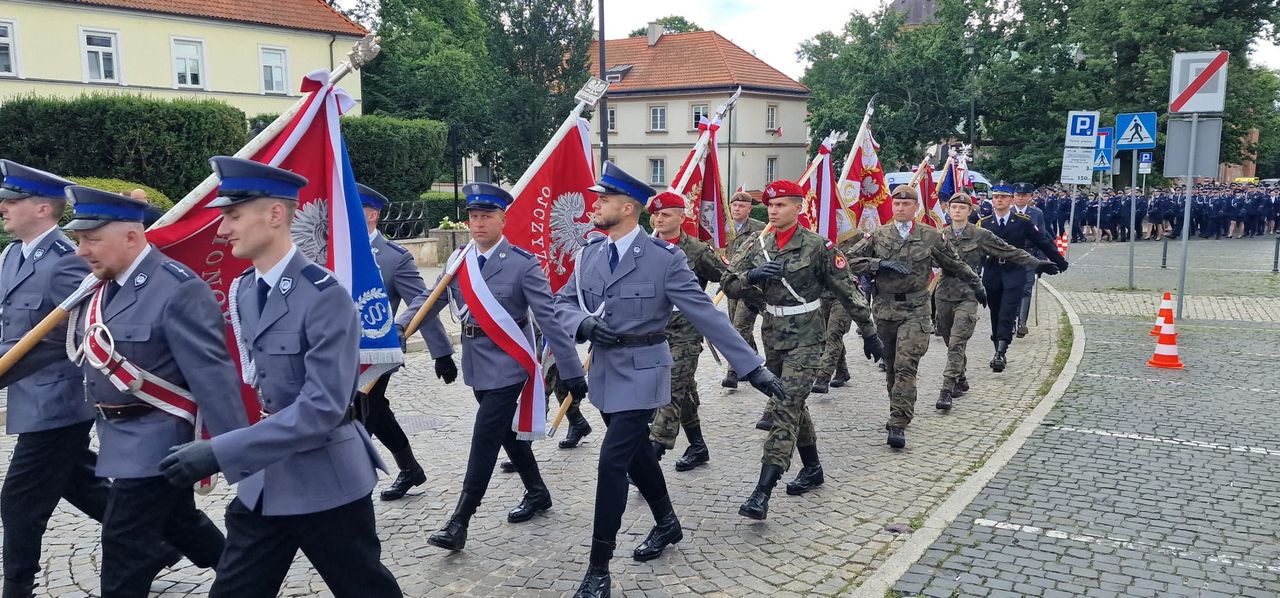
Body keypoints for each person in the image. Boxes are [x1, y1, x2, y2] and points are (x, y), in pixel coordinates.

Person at [160, 157, 401, 598]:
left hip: (327, 482)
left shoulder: (324, 296)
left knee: (365, 589)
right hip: (267, 480)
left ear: (274, 214)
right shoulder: (246, 290)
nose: (222, 229)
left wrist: (221, 450)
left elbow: (322, 408)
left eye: (233, 215)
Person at [554, 162, 784, 598]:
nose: (594, 206)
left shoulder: (664, 260)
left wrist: (752, 367)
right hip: (604, 370)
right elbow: (561, 304)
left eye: (602, 200)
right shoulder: (589, 254)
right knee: (638, 453)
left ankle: (598, 568)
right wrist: (582, 325)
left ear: (627, 208)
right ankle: (667, 523)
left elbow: (707, 314)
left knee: (612, 463)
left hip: (645, 370)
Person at [20, 185, 246, 598]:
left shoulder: (177, 288)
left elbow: (215, 377)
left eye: (92, 239)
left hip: (159, 441)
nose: (81, 251)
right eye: (80, 240)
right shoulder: (98, 287)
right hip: (118, 439)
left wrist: (240, 458)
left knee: (125, 547)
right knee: (181, 525)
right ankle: (246, 576)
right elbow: (50, 347)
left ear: (131, 235)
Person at [401, 182, 588, 551]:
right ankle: (537, 492)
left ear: (503, 219)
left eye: (487, 216)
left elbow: (549, 318)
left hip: (510, 362)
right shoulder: (459, 260)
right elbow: (429, 298)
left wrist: (571, 370)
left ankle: (460, 520)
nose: (478, 223)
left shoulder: (522, 263)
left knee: (484, 438)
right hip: (476, 362)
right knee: (506, 434)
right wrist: (399, 327)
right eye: (473, 216)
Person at [722, 179, 882, 516]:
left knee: (785, 406)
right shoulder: (757, 244)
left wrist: (869, 332)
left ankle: (762, 492)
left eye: (781, 205)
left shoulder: (817, 247)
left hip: (808, 338)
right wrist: (752, 276)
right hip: (774, 337)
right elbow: (728, 284)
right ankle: (812, 468)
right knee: (793, 403)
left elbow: (847, 290)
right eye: (771, 206)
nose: (774, 211)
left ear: (799, 207)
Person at [0, 161, 113, 598]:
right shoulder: (11, 256)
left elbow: (74, 334)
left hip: (61, 399)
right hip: (30, 397)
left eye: (12, 201)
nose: (4, 208)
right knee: (77, 481)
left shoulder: (66, 260)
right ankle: (169, 541)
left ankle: (17, 587)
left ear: (43, 208)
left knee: (19, 498)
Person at [846, 185, 980, 449]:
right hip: (884, 310)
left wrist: (977, 285)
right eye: (896, 204)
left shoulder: (929, 236)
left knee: (906, 365)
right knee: (891, 365)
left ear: (915, 207)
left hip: (916, 310)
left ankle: (898, 421)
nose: (900, 208)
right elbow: (849, 259)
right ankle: (898, 406)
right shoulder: (880, 234)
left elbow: (953, 263)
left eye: (905, 204)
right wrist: (878, 264)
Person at [355, 183, 445, 501]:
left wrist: (442, 350)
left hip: (379, 351)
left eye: (355, 208)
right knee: (375, 410)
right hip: (340, 352)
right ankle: (409, 468)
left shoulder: (394, 257)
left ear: (371, 215)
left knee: (362, 413)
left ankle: (353, 490)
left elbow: (423, 300)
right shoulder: (334, 250)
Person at [935, 193, 1059, 409]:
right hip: (944, 293)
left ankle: (947, 389)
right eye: (953, 207)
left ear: (969, 211)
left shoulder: (980, 234)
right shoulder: (939, 236)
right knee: (949, 341)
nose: (956, 211)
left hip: (969, 292)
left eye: (961, 208)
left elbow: (1007, 250)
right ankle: (961, 376)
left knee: (957, 341)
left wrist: (1036, 262)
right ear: (948, 210)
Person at [976, 185, 1069, 372]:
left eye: (1003, 197)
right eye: (995, 197)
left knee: (1007, 312)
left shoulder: (1022, 222)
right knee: (995, 313)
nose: (999, 200)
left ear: (1011, 200)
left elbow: (1042, 241)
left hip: (1014, 271)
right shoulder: (985, 224)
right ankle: (998, 347)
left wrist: (1059, 261)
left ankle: (1000, 353)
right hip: (993, 272)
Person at [721, 191, 765, 389]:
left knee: (739, 328)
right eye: (734, 205)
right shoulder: (723, 228)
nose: (737, 209)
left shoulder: (760, 229)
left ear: (749, 208)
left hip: (750, 286)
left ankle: (733, 371)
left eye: (741, 206)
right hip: (731, 286)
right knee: (736, 327)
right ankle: (751, 363)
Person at [1010, 183, 1050, 338]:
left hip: (1029, 255)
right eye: (1018, 195)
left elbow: (1042, 237)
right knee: (1012, 288)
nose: (1020, 198)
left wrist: (1042, 260)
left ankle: (1022, 323)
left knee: (1026, 289)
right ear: (1013, 197)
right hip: (1011, 256)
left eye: (1024, 195)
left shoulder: (1037, 213)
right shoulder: (1007, 212)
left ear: (1030, 197)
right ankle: (1012, 320)